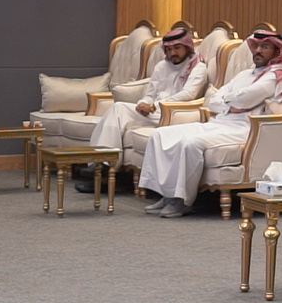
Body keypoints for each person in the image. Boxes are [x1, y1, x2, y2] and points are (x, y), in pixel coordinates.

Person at [138, 30, 282, 218]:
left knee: (191, 143)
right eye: (256, 46)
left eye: (265, 47)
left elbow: (246, 99)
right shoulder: (245, 74)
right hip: (219, 122)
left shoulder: (277, 74)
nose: (258, 51)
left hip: (244, 128)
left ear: (276, 50)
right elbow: (214, 101)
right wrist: (230, 104)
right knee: (159, 134)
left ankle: (182, 200)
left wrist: (228, 101)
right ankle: (167, 194)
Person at [77, 28, 208, 193]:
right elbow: (150, 93)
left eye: (177, 48)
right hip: (155, 112)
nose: (173, 53)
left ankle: (103, 174)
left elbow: (189, 94)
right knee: (118, 109)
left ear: (187, 47)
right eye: (168, 49)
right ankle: (102, 165)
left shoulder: (198, 67)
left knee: (121, 111)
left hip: (177, 114)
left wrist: (155, 105)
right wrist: (143, 103)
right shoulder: (162, 66)